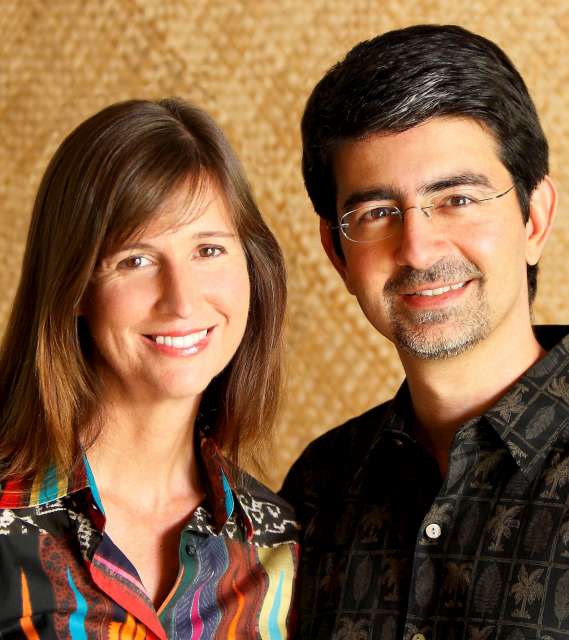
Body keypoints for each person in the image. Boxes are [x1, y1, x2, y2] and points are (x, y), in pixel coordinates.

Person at [280, 24, 567, 639]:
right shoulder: (317, 489)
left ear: (535, 218)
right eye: (378, 212)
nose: (416, 248)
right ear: (337, 252)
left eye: (458, 198)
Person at [0, 98, 298, 638]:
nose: (181, 301)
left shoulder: (278, 546)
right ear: (74, 288)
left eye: (208, 250)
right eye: (135, 260)